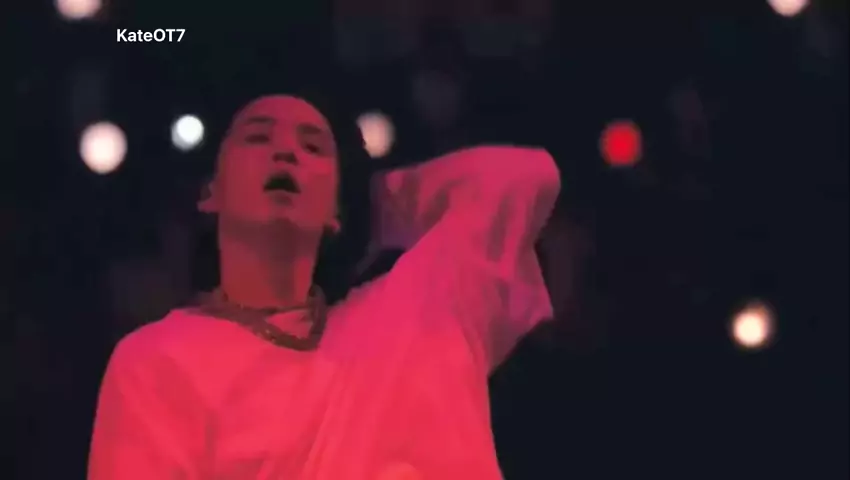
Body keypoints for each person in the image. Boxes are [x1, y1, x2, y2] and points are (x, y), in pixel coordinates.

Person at [88, 93, 561, 479]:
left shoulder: (414, 310)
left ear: (337, 210)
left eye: (314, 148)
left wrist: (369, 203)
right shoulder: (156, 359)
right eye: (258, 137)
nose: (286, 153)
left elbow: (522, 180)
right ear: (211, 191)